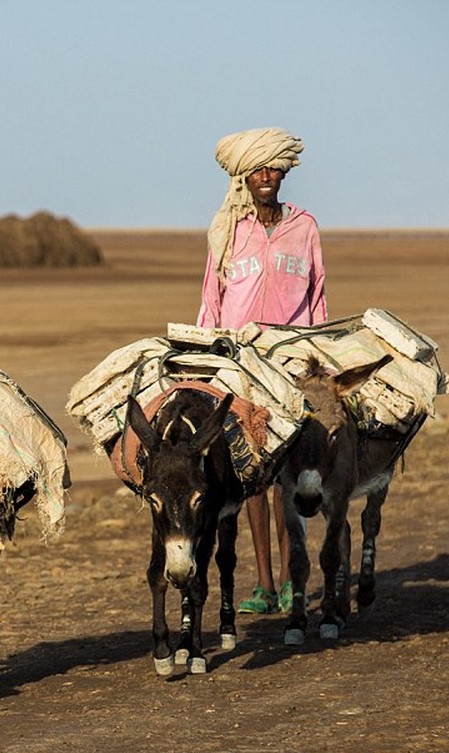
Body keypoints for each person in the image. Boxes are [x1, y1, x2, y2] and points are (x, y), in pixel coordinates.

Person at [196, 127, 328, 615]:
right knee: (251, 477)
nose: (266, 176)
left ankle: (294, 581)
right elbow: (211, 299)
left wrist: (317, 360)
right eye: (258, 169)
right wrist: (207, 361)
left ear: (284, 172)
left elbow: (317, 300)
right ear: (245, 177)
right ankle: (265, 587)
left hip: (290, 361)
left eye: (273, 168)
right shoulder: (228, 230)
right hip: (240, 363)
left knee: (287, 477)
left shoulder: (306, 228)